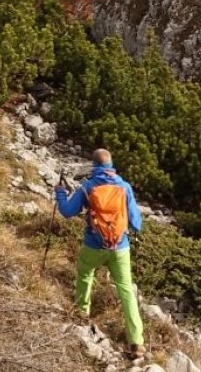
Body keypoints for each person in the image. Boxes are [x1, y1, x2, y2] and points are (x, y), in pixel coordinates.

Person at [54, 147, 145, 360]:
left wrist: (60, 193)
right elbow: (136, 223)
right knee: (126, 290)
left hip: (93, 245)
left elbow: (67, 212)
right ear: (111, 164)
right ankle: (136, 342)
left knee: (85, 275)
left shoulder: (88, 187)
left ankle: (82, 315)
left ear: (93, 166)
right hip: (120, 248)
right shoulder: (124, 187)